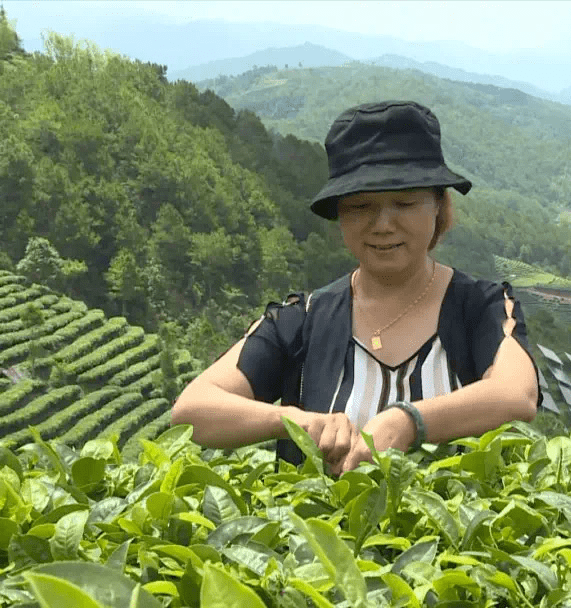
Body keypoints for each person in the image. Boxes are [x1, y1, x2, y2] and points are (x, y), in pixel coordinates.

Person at [171, 100, 542, 475]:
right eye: (361, 207)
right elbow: (193, 408)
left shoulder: (481, 307)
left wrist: (408, 421)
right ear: (340, 216)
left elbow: (517, 393)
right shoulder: (303, 320)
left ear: (438, 205)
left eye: (404, 202)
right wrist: (298, 422)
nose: (383, 224)